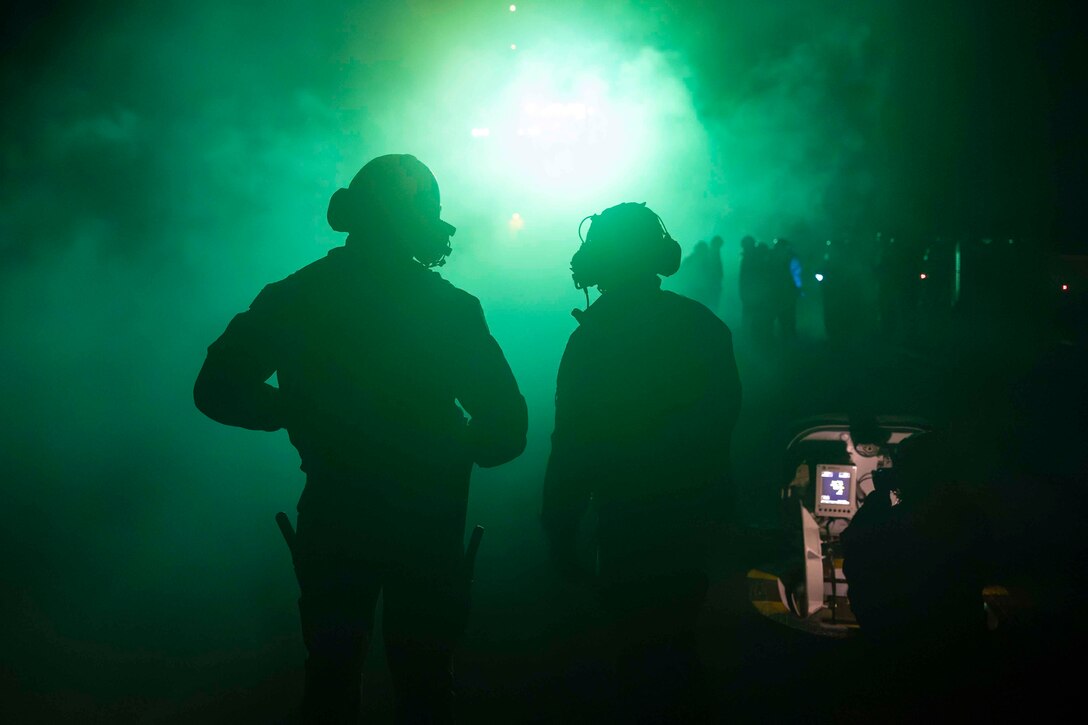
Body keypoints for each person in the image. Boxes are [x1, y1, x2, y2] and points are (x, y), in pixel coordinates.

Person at [193, 154, 528, 724]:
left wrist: (292, 410)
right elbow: (506, 429)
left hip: (334, 513)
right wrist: (455, 449)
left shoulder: (295, 296)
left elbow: (217, 389)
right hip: (428, 522)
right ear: (422, 222)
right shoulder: (449, 308)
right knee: (425, 688)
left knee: (331, 682)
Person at [542, 202, 741, 722]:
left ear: (595, 260)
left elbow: (573, 445)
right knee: (677, 643)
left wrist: (560, 529)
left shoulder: (592, 339)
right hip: (692, 518)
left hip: (627, 523)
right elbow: (724, 421)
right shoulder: (704, 325)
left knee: (639, 655)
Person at [841, 431, 992, 718]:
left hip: (898, 653)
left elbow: (854, 550)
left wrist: (878, 501)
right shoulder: (971, 519)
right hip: (962, 654)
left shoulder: (897, 524)